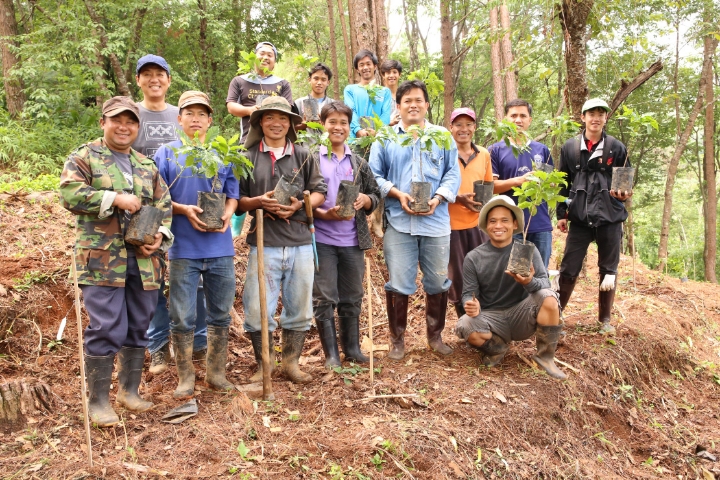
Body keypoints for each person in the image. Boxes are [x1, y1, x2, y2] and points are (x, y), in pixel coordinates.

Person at [59, 97, 173, 426]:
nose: (123, 127)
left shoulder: (145, 165)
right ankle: (97, 403)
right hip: (101, 260)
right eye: (116, 120)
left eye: (130, 122)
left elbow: (163, 206)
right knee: (108, 326)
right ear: (103, 122)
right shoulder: (85, 156)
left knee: (138, 325)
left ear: (138, 127)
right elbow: (69, 193)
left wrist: (159, 238)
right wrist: (113, 198)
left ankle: (129, 392)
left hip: (143, 262)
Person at [153, 91, 239, 398]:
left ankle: (216, 373)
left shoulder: (222, 153)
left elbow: (232, 194)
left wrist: (228, 214)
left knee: (220, 314)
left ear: (210, 120)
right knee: (182, 315)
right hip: (182, 250)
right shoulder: (166, 154)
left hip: (219, 247)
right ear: (179, 119)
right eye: (189, 113)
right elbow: (157, 197)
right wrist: (183, 209)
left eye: (202, 114)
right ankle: (186, 377)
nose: (196, 119)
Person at [237, 96, 327, 384]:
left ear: (290, 123)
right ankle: (265, 364)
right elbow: (236, 201)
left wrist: (300, 205)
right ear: (260, 122)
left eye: (283, 118)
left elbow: (319, 192)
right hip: (263, 242)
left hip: (300, 240)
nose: (276, 123)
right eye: (269, 117)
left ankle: (291, 363)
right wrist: (257, 202)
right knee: (256, 308)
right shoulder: (247, 155)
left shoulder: (303, 155)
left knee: (299, 306)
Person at [369, 80, 460, 360]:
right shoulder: (385, 137)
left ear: (427, 105)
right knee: (398, 282)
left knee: (437, 281)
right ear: (398, 106)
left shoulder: (442, 136)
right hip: (398, 221)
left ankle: (435, 336)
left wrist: (438, 198)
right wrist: (397, 193)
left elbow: (452, 173)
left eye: (418, 100)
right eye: (407, 100)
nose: (413, 105)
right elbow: (374, 174)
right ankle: (397, 340)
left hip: (436, 223)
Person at [131, 54, 208, 376]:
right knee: (151, 283)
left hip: (180, 211)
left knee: (190, 283)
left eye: (160, 74)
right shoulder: (131, 114)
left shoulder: (182, 113)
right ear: (139, 80)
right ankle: (158, 347)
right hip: (144, 210)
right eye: (147, 74)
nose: (154, 80)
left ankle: (196, 346)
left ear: (168, 80)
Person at [455, 196, 566, 379]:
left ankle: (545, 357)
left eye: (504, 220)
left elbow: (544, 284)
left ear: (514, 224)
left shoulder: (527, 249)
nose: (498, 226)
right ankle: (497, 347)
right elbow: (468, 294)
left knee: (549, 297)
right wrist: (470, 304)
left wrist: (527, 282)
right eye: (493, 221)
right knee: (466, 324)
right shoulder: (474, 257)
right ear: (486, 226)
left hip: (522, 316)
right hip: (492, 319)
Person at [311, 101, 381, 368]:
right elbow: (303, 198)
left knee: (352, 296)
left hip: (353, 240)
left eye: (343, 123)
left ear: (349, 128)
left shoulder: (359, 162)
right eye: (332, 122)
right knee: (325, 296)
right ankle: (331, 355)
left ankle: (351, 348)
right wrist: (322, 214)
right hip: (322, 239)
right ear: (323, 124)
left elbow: (376, 194)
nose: (337, 127)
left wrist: (367, 200)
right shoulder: (312, 158)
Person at [556, 98, 631, 335]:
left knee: (609, 269)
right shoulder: (569, 147)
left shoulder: (617, 147)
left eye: (600, 114)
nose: (596, 118)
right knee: (569, 268)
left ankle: (604, 321)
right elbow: (562, 182)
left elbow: (625, 182)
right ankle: (556, 315)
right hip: (578, 217)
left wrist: (623, 195)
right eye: (591, 113)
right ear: (583, 117)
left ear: (605, 118)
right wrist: (562, 214)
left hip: (609, 217)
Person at [490, 99, 554, 268]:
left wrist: (549, 184)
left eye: (523, 116)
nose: (518, 120)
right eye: (514, 115)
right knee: (513, 275)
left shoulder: (542, 150)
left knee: (540, 274)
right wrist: (520, 180)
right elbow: (492, 186)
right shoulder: (496, 150)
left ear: (530, 120)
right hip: (510, 224)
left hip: (540, 223)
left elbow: (550, 185)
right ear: (506, 119)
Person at [447, 107, 491, 317]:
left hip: (477, 224)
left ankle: (482, 318)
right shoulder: (444, 153)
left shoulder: (483, 154)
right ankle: (464, 321)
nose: (463, 129)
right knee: (457, 276)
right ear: (451, 127)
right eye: (458, 125)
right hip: (450, 225)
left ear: (474, 127)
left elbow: (488, 185)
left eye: (468, 124)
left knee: (482, 271)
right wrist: (457, 198)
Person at [226, 41, 293, 141]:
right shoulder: (239, 81)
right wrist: (249, 110)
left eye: (270, 55)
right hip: (248, 140)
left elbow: (288, 109)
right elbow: (231, 107)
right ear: (253, 59)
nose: (265, 57)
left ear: (274, 63)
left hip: (276, 140)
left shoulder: (283, 83)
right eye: (262, 54)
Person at [343, 49, 393, 139]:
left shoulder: (385, 91)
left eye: (368, 64)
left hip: (378, 140)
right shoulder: (350, 90)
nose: (365, 67)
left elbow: (385, 115)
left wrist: (377, 131)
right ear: (357, 69)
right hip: (355, 140)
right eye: (361, 65)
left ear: (375, 66)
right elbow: (350, 111)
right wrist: (358, 130)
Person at [294, 63, 335, 131]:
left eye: (323, 80)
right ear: (309, 80)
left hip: (327, 141)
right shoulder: (298, 103)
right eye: (316, 79)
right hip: (305, 141)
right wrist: (303, 125)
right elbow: (290, 129)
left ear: (328, 82)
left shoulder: (333, 104)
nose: (319, 83)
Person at [379, 59, 402, 126]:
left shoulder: (403, 95)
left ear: (399, 75)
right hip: (383, 134)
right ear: (383, 75)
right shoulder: (378, 95)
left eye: (394, 72)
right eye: (388, 73)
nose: (391, 75)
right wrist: (390, 122)